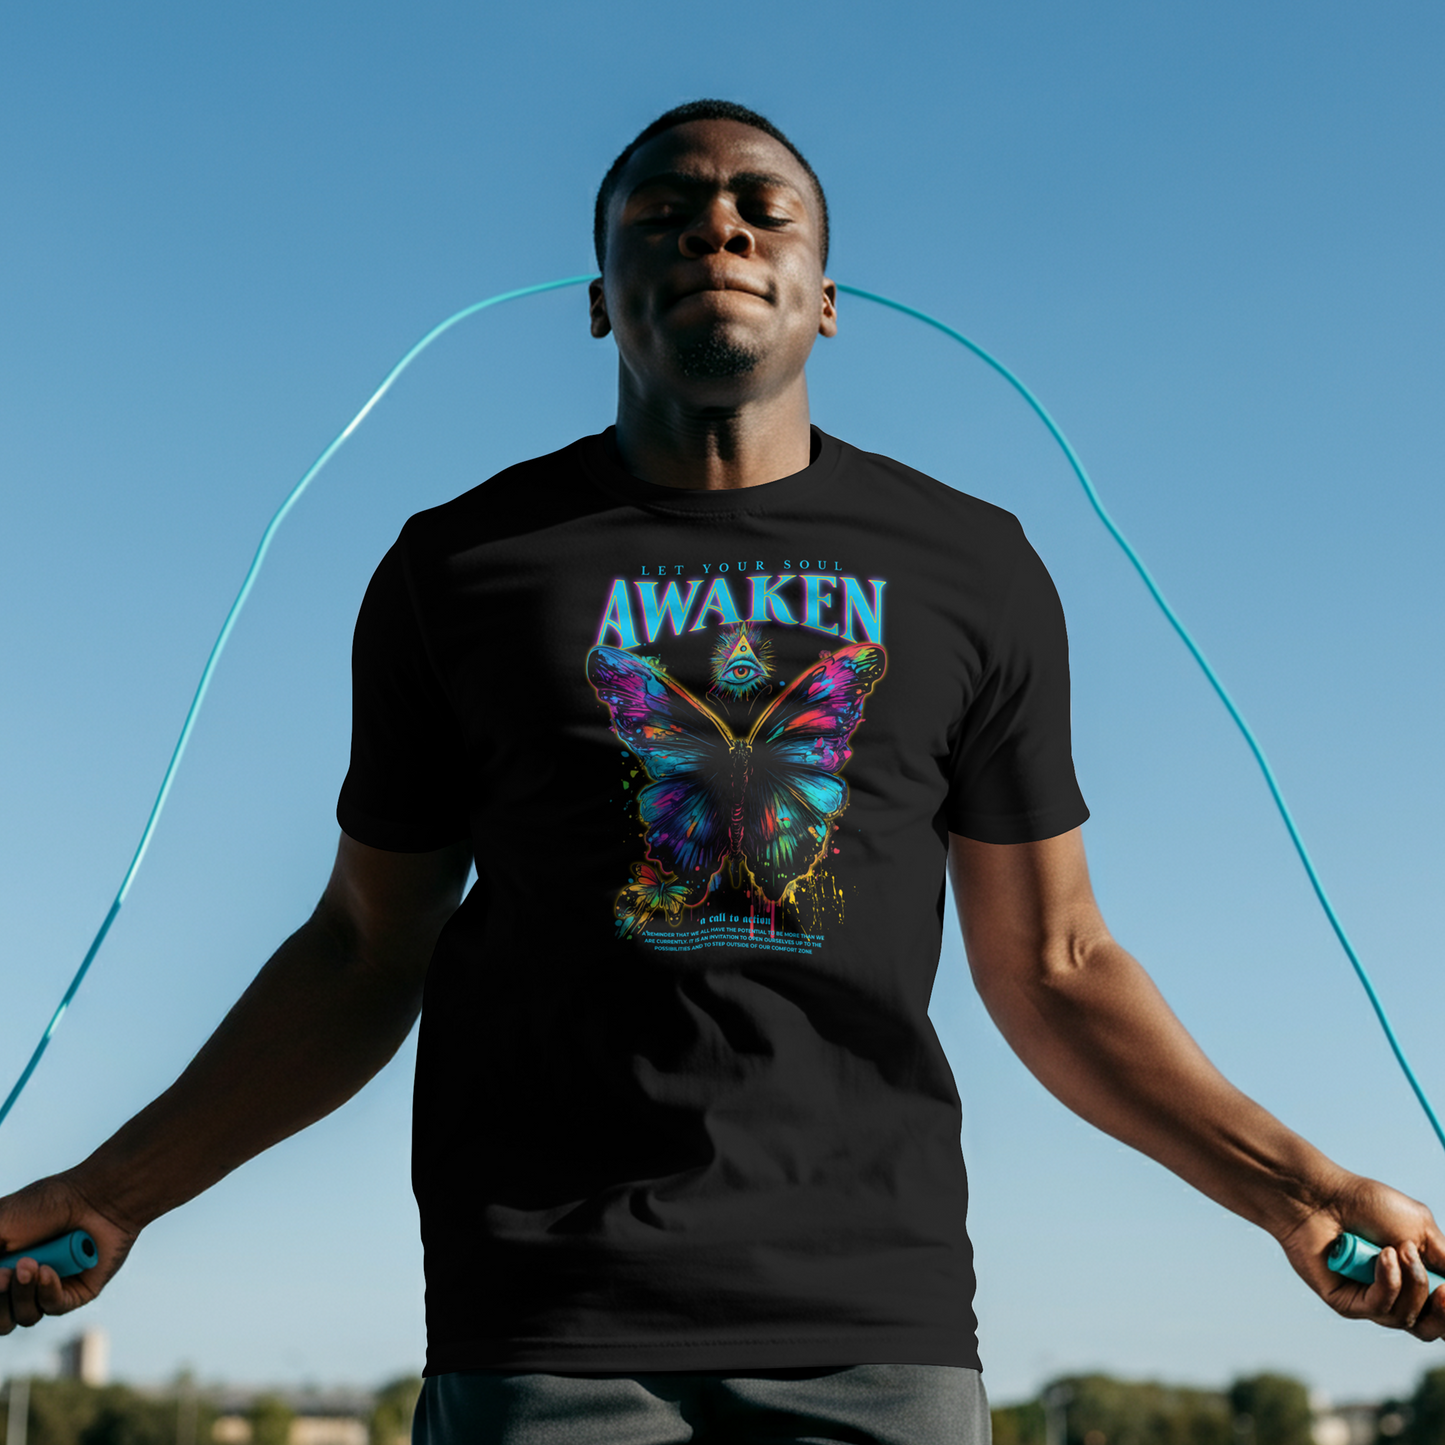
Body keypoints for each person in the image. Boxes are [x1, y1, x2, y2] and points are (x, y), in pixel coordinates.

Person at [2, 99, 1442, 1444]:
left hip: (882, 1333)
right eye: (665, 214)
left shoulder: (974, 569)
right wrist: (116, 1194)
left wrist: (1299, 1192)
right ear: (596, 304)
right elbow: (361, 949)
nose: (720, 232)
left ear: (824, 298)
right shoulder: (460, 568)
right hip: (543, 1334)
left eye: (766, 211)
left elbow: (1058, 966)